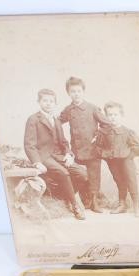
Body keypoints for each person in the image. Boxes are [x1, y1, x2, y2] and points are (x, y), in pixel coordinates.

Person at [23, 88, 88, 220]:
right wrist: (37, 162)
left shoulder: (56, 120)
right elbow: (29, 145)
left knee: (82, 174)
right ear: (39, 102)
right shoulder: (33, 119)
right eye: (45, 101)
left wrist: (69, 155)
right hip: (44, 156)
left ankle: (65, 197)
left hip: (58, 155)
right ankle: (74, 205)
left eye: (51, 101)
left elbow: (63, 142)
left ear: (55, 103)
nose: (48, 103)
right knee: (63, 173)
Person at [59, 76, 109, 213]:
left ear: (83, 91)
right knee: (79, 175)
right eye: (73, 91)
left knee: (94, 176)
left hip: (93, 150)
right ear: (68, 93)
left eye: (79, 91)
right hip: (76, 150)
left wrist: (98, 136)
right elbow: (57, 123)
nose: (76, 94)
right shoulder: (68, 110)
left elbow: (106, 124)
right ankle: (84, 201)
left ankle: (95, 203)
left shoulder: (92, 108)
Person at [95, 102, 139, 216]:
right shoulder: (104, 132)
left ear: (121, 116)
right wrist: (106, 154)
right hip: (112, 161)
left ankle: (136, 205)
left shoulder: (127, 132)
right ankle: (122, 204)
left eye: (116, 115)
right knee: (119, 181)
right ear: (106, 116)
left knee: (131, 180)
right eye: (110, 115)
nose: (113, 117)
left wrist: (129, 155)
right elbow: (98, 147)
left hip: (126, 161)